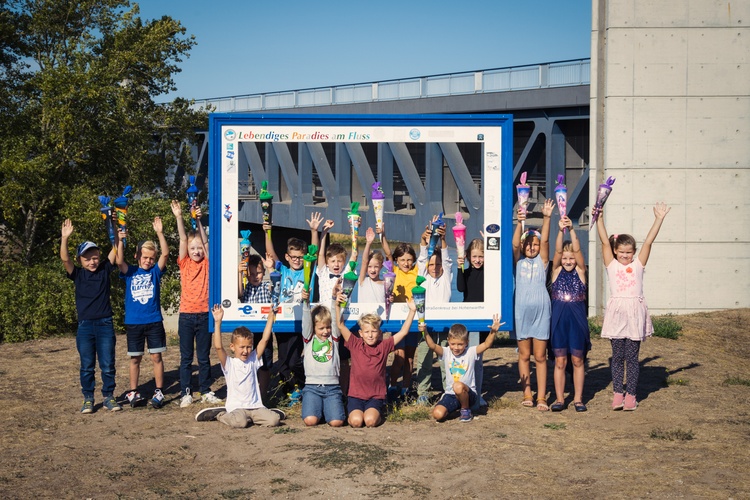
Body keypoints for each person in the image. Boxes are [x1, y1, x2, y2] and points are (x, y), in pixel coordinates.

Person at [596, 202, 670, 411]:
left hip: (635, 314)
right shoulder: (612, 265)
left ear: (634, 252)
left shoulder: (638, 265)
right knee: (617, 357)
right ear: (615, 251)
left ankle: (631, 395)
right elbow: (603, 241)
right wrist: (599, 218)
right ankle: (618, 393)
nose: (625, 256)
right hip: (617, 313)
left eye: (629, 252)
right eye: (621, 252)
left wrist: (659, 219)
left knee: (632, 358)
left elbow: (648, 242)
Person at [60, 219, 121, 413]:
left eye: (94, 257)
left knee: (108, 364)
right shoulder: (77, 274)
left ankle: (108, 397)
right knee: (87, 365)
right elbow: (65, 260)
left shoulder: (104, 269)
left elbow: (115, 250)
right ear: (80, 260)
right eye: (87, 259)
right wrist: (65, 238)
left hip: (105, 324)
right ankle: (88, 398)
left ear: (99, 257)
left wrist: (118, 236)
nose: (92, 262)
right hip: (85, 326)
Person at [335, 291, 417, 428]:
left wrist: (412, 311)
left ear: (379, 333)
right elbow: (340, 325)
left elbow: (403, 332)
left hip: (375, 395)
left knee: (370, 422)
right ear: (361, 333)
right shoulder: (355, 344)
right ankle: (351, 411)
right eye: (367, 332)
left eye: (373, 332)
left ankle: (379, 410)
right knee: (356, 422)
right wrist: (337, 305)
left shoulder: (384, 346)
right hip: (356, 395)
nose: (370, 335)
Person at [194, 305, 283, 428]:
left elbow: (264, 340)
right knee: (240, 423)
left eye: (248, 347)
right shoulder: (229, 364)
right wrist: (218, 322)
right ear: (232, 347)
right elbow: (218, 347)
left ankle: (266, 414)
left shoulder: (253, 359)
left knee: (274, 421)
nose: (245, 351)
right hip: (237, 408)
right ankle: (220, 414)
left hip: (255, 406)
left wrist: (270, 319)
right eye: (242, 347)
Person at [171, 200, 221, 408]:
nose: (197, 251)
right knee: (185, 358)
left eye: (199, 247)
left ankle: (206, 390)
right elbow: (183, 238)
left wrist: (199, 221)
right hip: (186, 315)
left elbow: (207, 243)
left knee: (203, 357)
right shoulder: (184, 262)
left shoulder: (208, 262)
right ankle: (186, 392)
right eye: (193, 248)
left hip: (204, 315)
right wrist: (179, 216)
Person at [263, 215, 320, 397]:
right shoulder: (283, 270)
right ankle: (291, 390)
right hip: (283, 320)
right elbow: (270, 255)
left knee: (294, 360)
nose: (297, 260)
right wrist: (267, 233)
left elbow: (315, 252)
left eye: (300, 257)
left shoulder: (308, 271)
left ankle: (307, 381)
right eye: (293, 257)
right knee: (283, 358)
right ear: (287, 257)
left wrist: (313, 231)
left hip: (301, 320)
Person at [116, 218, 169, 409]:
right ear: (137, 256)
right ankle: (133, 391)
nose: (148, 261)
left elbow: (166, 253)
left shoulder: (155, 272)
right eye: (145, 257)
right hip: (134, 322)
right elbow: (119, 260)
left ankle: (159, 391)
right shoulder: (129, 271)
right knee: (135, 358)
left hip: (153, 320)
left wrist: (160, 233)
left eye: (151, 258)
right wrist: (120, 240)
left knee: (156, 357)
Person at [419, 315, 502, 423]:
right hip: (451, 394)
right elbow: (432, 346)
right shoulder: (446, 352)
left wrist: (493, 332)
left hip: (469, 394)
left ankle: (465, 409)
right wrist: (425, 332)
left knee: (457, 385)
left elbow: (486, 344)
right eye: (453, 344)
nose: (456, 347)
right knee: (437, 414)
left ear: (466, 342)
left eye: (460, 344)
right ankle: (454, 406)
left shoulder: (471, 352)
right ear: (448, 341)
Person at [512, 199, 554, 411]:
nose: (531, 247)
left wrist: (546, 218)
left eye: (534, 244)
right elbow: (514, 244)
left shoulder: (542, 262)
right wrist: (520, 222)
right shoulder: (518, 261)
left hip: (541, 312)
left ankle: (541, 396)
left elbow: (546, 242)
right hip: (521, 312)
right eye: (527, 243)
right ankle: (527, 392)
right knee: (524, 355)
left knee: (540, 357)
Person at [549, 216, 590, 412]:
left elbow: (579, 252)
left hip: (577, 320)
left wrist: (572, 230)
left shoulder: (581, 271)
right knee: (560, 360)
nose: (567, 261)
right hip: (559, 320)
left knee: (577, 360)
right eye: (565, 258)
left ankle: (578, 399)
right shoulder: (556, 271)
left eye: (571, 258)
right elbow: (557, 251)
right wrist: (560, 230)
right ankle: (559, 399)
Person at [312, 214, 354, 396]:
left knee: (343, 359)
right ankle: (325, 390)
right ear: (327, 262)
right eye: (333, 261)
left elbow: (356, 253)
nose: (336, 264)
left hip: (341, 321)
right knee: (325, 356)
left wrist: (354, 230)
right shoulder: (322, 272)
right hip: (323, 321)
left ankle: (343, 392)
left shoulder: (346, 273)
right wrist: (324, 233)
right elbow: (320, 253)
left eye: (339, 261)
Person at [413, 217, 453, 405]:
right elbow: (422, 258)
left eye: (437, 265)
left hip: (445, 324)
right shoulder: (423, 276)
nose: (435, 268)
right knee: (424, 359)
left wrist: (443, 239)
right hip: (426, 324)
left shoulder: (446, 276)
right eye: (431, 265)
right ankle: (423, 392)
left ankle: (449, 390)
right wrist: (424, 241)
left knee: (446, 359)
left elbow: (446, 257)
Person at [382, 232, 419, 400]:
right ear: (397, 260)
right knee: (399, 356)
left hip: (413, 318)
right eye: (403, 259)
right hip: (397, 320)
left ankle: (406, 388)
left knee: (410, 358)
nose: (406, 263)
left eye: (409, 259)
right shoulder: (394, 270)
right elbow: (388, 253)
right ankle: (392, 385)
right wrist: (382, 234)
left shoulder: (417, 271)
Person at [300, 290, 345, 427]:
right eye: (321, 328)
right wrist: (306, 302)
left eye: (327, 327)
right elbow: (306, 320)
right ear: (313, 328)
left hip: (332, 388)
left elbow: (336, 322)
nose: (325, 331)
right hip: (312, 387)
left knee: (336, 422)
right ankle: (318, 407)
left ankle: (329, 408)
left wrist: (333, 300)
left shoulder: (334, 338)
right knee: (310, 421)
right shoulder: (309, 338)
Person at [456, 237, 488, 409]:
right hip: (469, 317)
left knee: (478, 358)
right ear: (468, 256)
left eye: (481, 256)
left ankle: (478, 392)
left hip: (483, 318)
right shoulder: (466, 272)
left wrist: (489, 240)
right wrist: (460, 267)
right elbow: (461, 288)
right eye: (474, 256)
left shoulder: (489, 272)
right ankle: (467, 391)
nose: (477, 260)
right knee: (467, 358)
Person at [237, 253, 273, 401]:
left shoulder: (266, 287)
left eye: (258, 273)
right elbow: (238, 293)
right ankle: (248, 394)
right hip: (249, 333)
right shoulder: (246, 288)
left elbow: (277, 287)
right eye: (251, 274)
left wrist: (271, 268)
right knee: (248, 362)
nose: (255, 276)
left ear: (263, 272)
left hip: (265, 330)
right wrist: (239, 273)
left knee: (265, 363)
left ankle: (263, 395)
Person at [357, 227, 385, 305]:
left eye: (376, 267)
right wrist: (368, 243)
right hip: (364, 316)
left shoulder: (385, 284)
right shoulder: (363, 280)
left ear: (381, 266)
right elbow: (364, 261)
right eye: (369, 267)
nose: (372, 270)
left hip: (378, 317)